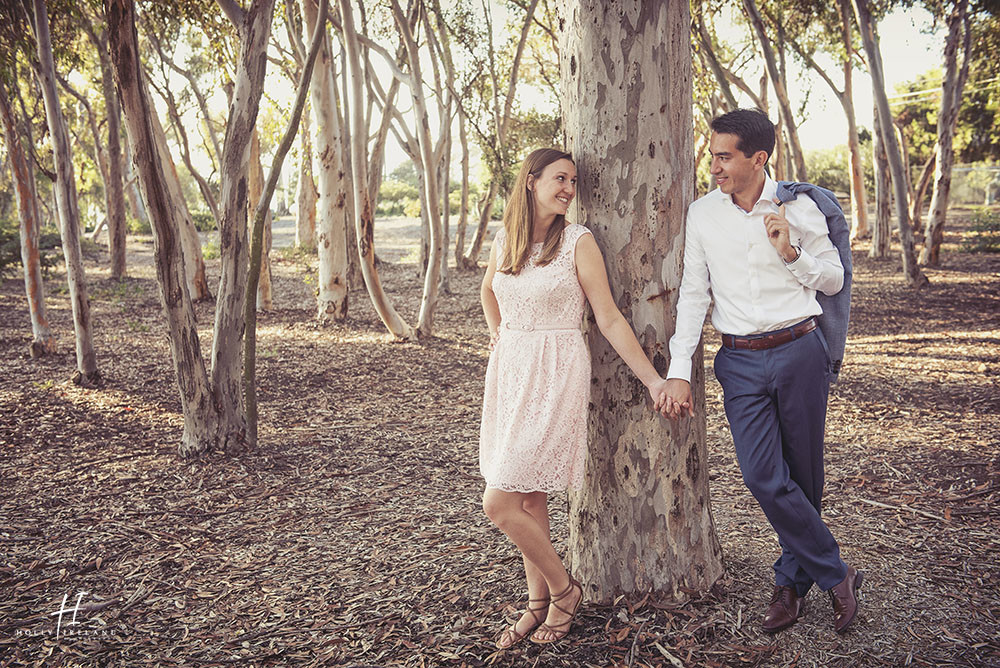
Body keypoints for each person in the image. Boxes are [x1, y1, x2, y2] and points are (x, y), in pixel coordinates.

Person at [659, 109, 862, 634]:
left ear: (758, 158)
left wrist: (791, 252)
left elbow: (835, 280)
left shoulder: (801, 207)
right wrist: (680, 368)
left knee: (804, 475)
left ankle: (789, 586)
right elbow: (693, 295)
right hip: (740, 361)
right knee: (762, 476)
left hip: (800, 351)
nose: (714, 166)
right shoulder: (703, 214)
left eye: (724, 156)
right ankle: (836, 573)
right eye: (713, 155)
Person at [479, 148, 671, 648]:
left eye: (573, 181)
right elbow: (488, 292)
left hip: (556, 371)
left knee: (498, 503)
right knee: (527, 497)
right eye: (559, 178)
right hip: (512, 373)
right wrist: (502, 338)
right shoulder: (509, 239)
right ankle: (537, 604)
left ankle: (565, 591)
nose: (568, 188)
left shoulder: (578, 241)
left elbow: (607, 317)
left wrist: (653, 381)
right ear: (531, 181)